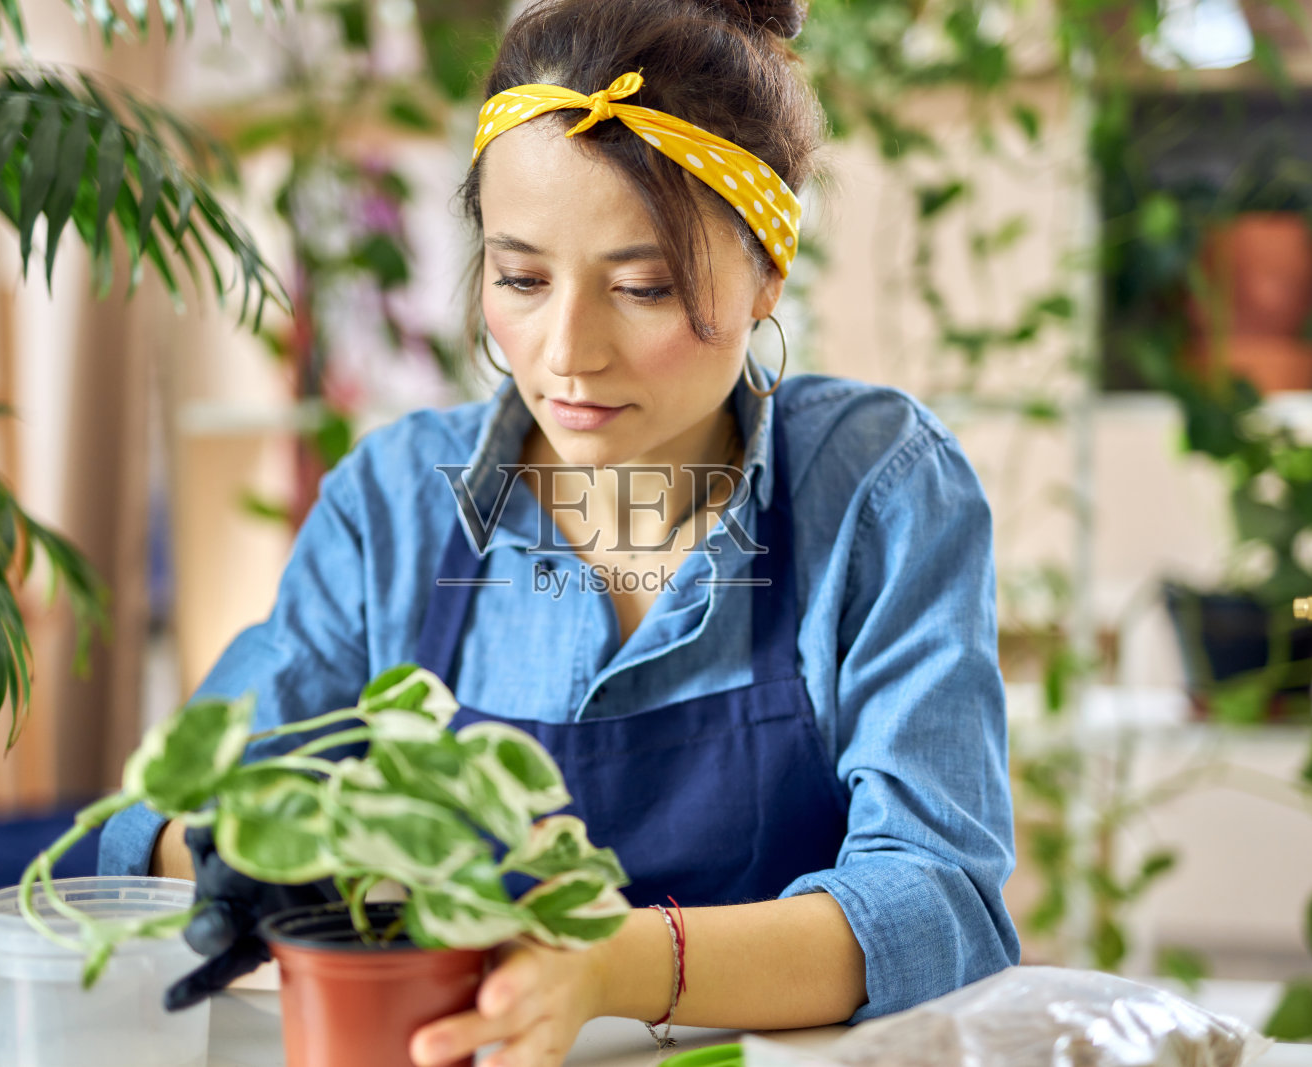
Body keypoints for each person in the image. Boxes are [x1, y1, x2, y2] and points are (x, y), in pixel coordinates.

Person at [98, 0, 1020, 1064]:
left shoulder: (876, 489)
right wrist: (230, 850)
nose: (568, 353)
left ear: (768, 268)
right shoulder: (393, 507)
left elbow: (939, 904)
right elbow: (146, 830)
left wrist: (613, 962)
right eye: (521, 279)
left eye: (642, 286)